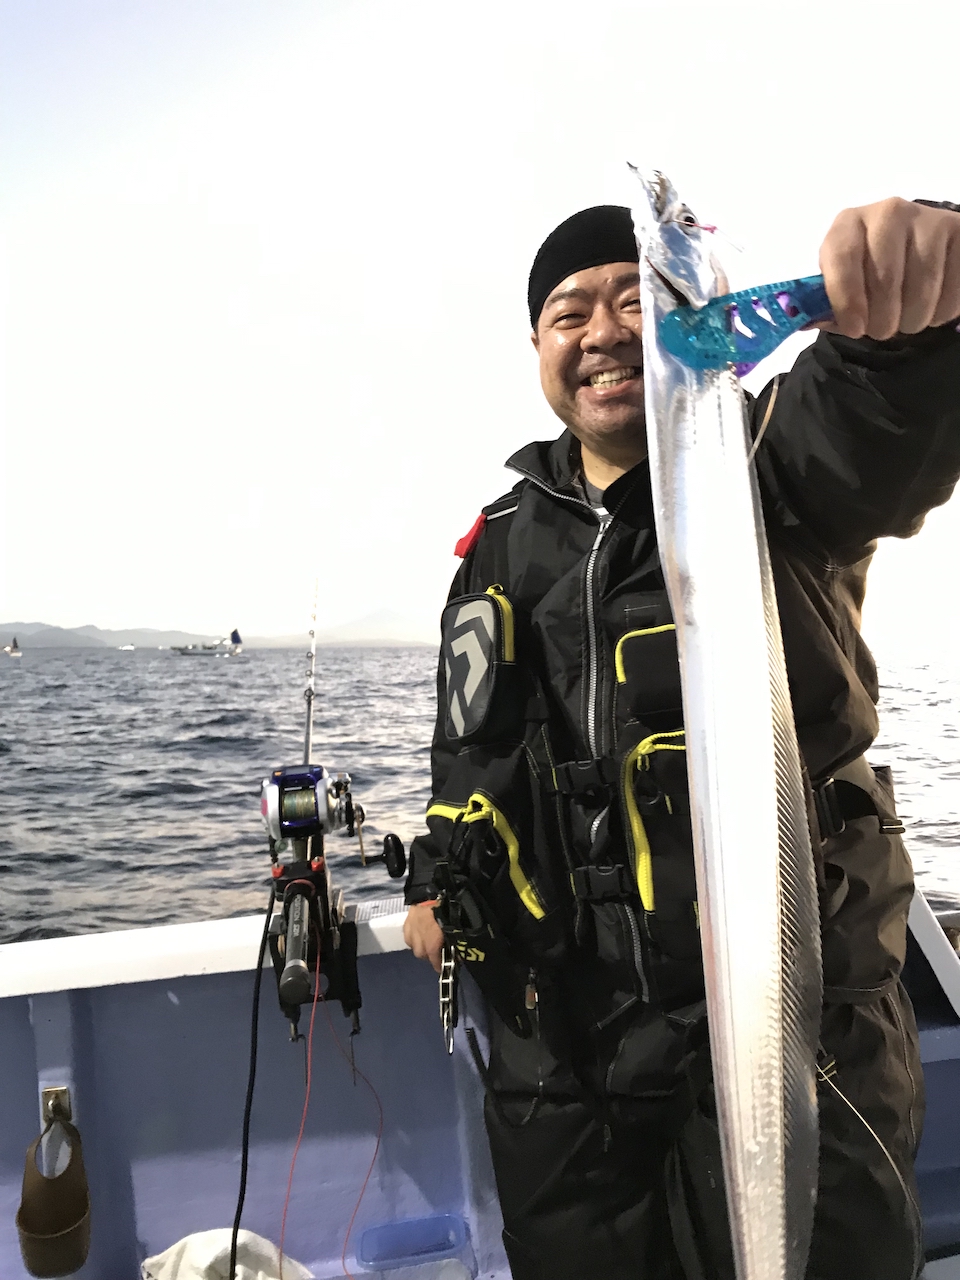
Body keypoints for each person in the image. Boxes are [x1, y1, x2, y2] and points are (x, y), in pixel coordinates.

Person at [403, 195, 960, 1280]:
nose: (603, 331)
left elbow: (887, 413)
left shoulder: (771, 454)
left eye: (635, 298)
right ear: (537, 347)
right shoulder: (502, 541)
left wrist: (917, 310)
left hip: (797, 1024)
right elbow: (470, 743)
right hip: (565, 1048)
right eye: (569, 313)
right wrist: (436, 877)